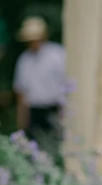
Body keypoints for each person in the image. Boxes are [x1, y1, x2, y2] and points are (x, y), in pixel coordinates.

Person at [13, 16, 66, 147]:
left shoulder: (57, 54)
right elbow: (21, 92)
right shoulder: (24, 59)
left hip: (55, 107)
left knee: (56, 144)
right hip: (34, 110)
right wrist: (22, 122)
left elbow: (66, 84)